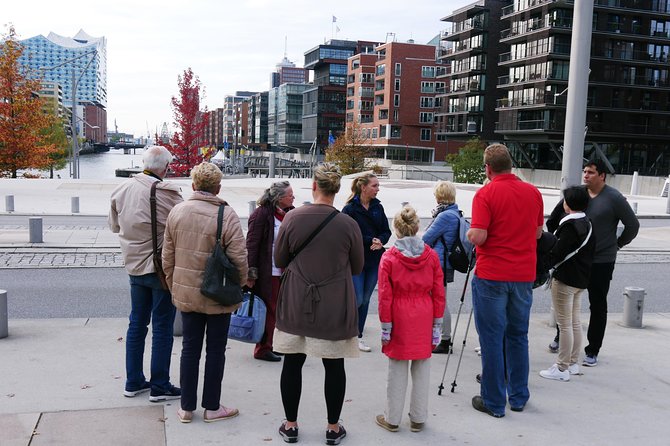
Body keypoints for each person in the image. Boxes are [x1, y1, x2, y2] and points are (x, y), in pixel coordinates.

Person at [273, 163, 364, 445]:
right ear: (336, 190)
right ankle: (333, 428)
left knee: (292, 362)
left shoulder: (292, 219)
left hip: (297, 298)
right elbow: (358, 266)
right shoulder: (349, 224)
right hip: (333, 301)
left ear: (314, 186)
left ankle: (290, 425)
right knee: (334, 365)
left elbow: (279, 260)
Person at [162, 162, 248, 423]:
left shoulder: (177, 212)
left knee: (189, 349)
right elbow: (240, 258)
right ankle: (212, 407)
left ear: (193, 185)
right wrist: (240, 284)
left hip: (186, 294)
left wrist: (174, 285)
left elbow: (167, 258)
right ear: (218, 187)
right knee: (215, 350)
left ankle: (186, 408)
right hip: (218, 294)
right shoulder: (227, 214)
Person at [467, 144, 543, 418]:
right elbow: (537, 233)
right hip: (523, 275)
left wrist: (469, 235)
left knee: (491, 338)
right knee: (518, 336)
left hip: (493, 275)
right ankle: (519, 397)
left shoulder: (485, 194)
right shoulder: (532, 192)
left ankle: (494, 401)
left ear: (488, 168)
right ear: (510, 165)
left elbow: (479, 236)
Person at [109, 145, 183, 402]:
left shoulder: (122, 189)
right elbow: (182, 226)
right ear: (165, 167)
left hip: (134, 266)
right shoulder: (168, 193)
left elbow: (114, 225)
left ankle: (133, 381)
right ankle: (160, 385)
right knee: (162, 326)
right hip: (160, 268)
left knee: (137, 324)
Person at [547, 160, 639, 367]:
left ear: (602, 176)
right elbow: (553, 219)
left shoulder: (613, 198)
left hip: (601, 261)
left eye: (590, 172)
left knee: (598, 304)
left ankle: (593, 349)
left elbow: (632, 225)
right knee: (567, 303)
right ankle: (561, 338)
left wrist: (617, 244)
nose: (585, 175)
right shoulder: (577, 194)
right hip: (575, 261)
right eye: (584, 172)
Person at [375, 206, 445, 433]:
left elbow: (385, 295)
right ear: (417, 228)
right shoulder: (431, 256)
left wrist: (386, 327)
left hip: (399, 313)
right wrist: (437, 323)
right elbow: (438, 292)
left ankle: (392, 418)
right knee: (422, 367)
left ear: (396, 229)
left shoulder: (389, 258)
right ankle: (418, 417)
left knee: (397, 368)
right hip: (423, 313)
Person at [539, 186, 595, 382]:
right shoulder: (587, 222)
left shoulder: (570, 226)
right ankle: (572, 364)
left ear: (567, 204)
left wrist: (543, 265)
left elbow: (558, 252)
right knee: (574, 322)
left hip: (566, 278)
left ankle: (562, 367)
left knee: (564, 324)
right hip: (580, 278)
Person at [246, 181, 295, 362]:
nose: (293, 197)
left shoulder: (289, 213)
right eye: (290, 195)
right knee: (269, 310)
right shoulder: (262, 214)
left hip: (286, 271)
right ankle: (263, 348)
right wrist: (250, 274)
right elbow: (251, 244)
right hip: (269, 271)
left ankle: (272, 343)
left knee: (280, 311)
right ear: (280, 198)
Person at [342, 173, 391, 352]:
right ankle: (345, 329)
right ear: (363, 187)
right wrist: (371, 240)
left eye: (378, 186)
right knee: (358, 298)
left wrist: (381, 241)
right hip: (356, 259)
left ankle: (357, 336)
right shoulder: (350, 209)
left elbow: (386, 230)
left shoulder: (379, 207)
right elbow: (347, 233)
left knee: (366, 299)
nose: (378, 189)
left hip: (374, 260)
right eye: (375, 186)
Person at [422, 180, 460, 354]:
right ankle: (440, 337)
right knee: (439, 300)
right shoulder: (455, 213)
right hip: (445, 263)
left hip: (439, 264)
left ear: (440, 196)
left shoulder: (445, 216)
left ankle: (445, 340)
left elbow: (426, 239)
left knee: (440, 302)